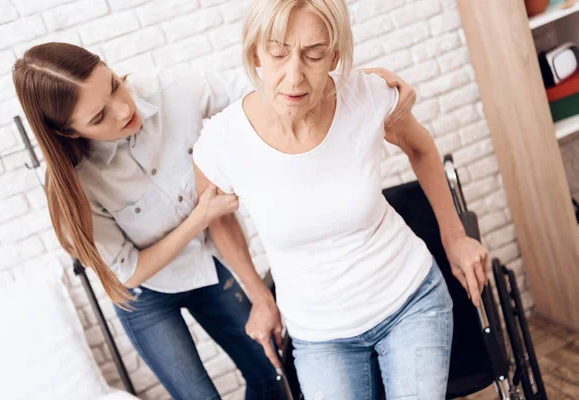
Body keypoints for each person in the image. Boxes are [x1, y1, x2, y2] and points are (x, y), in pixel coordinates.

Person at [12, 42, 415, 400]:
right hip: (145, 296)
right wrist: (200, 216)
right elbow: (129, 272)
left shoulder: (178, 89)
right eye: (99, 116)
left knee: (272, 373)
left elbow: (270, 96)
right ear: (67, 133)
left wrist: (357, 87)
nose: (123, 109)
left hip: (205, 264)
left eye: (115, 85)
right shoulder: (74, 183)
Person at [192, 0, 490, 399]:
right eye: (278, 53)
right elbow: (217, 216)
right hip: (319, 336)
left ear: (333, 55)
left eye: (313, 55)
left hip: (410, 300)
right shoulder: (223, 141)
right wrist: (259, 297)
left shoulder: (366, 95)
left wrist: (454, 237)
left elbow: (421, 149)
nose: (294, 76)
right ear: (255, 53)